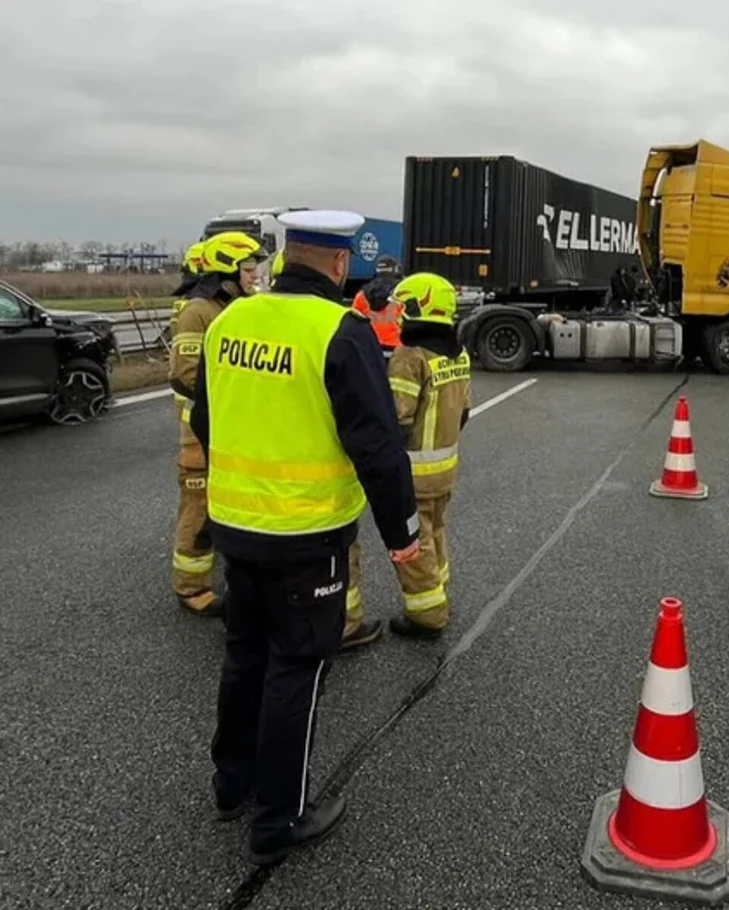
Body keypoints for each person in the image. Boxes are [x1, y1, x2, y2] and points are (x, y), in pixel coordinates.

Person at [190, 209, 421, 864]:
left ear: (287, 255)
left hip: (237, 526)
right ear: (341, 264)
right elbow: (377, 443)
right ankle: (280, 818)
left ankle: (230, 782)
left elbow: (208, 419)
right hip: (307, 533)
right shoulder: (339, 331)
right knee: (297, 668)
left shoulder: (231, 319)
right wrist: (401, 530)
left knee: (244, 656)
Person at [168, 231, 265, 618]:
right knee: (199, 506)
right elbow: (185, 373)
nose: (254, 275)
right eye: (247, 268)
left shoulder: (239, 307)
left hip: (234, 429)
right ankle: (191, 586)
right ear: (225, 270)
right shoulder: (199, 311)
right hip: (201, 429)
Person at [376, 272, 473, 640]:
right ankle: (439, 588)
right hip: (445, 468)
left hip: (413, 472)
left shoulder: (409, 356)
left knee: (413, 543)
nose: (398, 313)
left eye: (403, 306)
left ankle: (427, 614)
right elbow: (464, 410)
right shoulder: (457, 351)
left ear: (419, 308)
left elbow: (396, 418)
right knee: (435, 530)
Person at [351, 254, 403, 356]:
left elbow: (352, 323)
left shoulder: (361, 295)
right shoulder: (402, 294)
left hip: (370, 347)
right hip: (398, 348)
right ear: (395, 270)